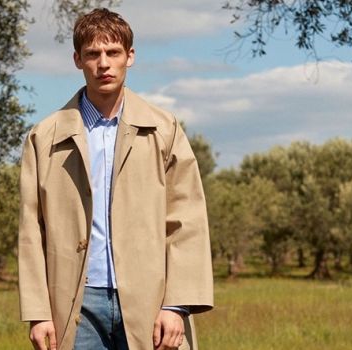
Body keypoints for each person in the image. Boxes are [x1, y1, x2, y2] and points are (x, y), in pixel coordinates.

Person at [17, 8, 213, 350]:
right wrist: (38, 312)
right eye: (93, 54)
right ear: (78, 59)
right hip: (75, 306)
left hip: (151, 301)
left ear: (130, 57)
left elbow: (187, 220)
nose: (103, 64)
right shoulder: (44, 137)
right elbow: (31, 229)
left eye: (113, 53)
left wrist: (175, 305)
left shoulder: (163, 130)